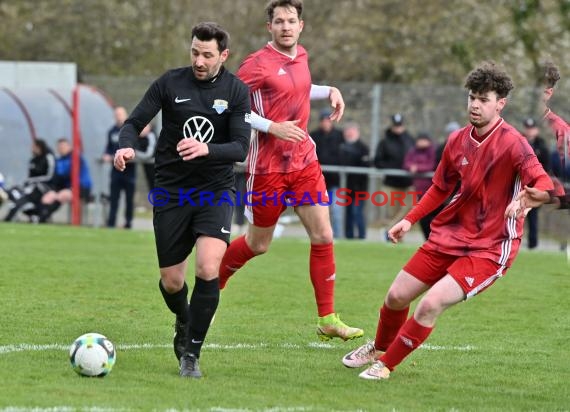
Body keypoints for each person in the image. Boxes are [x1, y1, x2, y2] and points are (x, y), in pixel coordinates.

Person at [342, 61, 553, 380]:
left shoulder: (514, 143)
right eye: (472, 97)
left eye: (484, 99)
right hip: (448, 237)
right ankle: (380, 348)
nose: (476, 105)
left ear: (501, 104)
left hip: (489, 248)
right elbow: (440, 187)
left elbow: (545, 184)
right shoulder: (457, 140)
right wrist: (409, 220)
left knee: (430, 304)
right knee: (396, 296)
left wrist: (528, 197)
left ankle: (386, 365)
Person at [218, 0, 363, 342]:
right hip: (267, 169)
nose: (286, 26)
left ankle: (327, 318)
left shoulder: (302, 56)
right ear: (269, 27)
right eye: (279, 21)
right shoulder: (256, 64)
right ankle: (211, 284)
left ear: (301, 25)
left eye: (291, 20)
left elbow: (297, 88)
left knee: (324, 235)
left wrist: (330, 91)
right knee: (258, 244)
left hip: (304, 163)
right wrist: (271, 127)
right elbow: (227, 107)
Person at [113, 22, 251, 378]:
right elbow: (134, 121)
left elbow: (239, 147)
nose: (199, 61)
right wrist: (125, 144)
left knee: (208, 268)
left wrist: (207, 149)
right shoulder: (169, 82)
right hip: (172, 191)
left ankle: (191, 353)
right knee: (173, 282)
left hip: (215, 191)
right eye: (195, 52)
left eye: (207, 54)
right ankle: (184, 320)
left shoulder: (236, 91)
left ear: (223, 55)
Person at [374, 113, 415, 235]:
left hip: (408, 183)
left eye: (400, 125)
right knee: (392, 213)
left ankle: (388, 232)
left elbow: (416, 155)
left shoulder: (410, 140)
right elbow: (377, 161)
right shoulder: (384, 142)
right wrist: (393, 169)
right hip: (391, 183)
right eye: (396, 126)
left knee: (410, 210)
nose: (398, 128)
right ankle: (394, 237)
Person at [38, 138, 92, 223]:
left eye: (63, 147)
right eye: (59, 147)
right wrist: (53, 191)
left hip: (82, 188)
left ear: (69, 146)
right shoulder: (59, 160)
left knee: (61, 196)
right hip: (66, 187)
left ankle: (77, 223)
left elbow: (68, 174)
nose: (61, 149)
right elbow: (57, 178)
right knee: (48, 197)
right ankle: (41, 218)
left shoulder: (76, 157)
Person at [3, 139, 55, 222]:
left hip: (43, 188)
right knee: (13, 192)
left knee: (23, 198)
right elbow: (29, 177)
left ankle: (13, 215)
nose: (32, 149)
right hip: (30, 186)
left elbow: (50, 176)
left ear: (39, 147)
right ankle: (26, 213)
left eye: (33, 146)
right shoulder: (32, 160)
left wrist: (32, 181)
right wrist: (28, 182)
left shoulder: (48, 157)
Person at [311, 108, 344, 238]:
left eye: (328, 120)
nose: (326, 123)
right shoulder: (314, 135)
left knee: (336, 212)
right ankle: (319, 236)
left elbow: (341, 156)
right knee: (318, 213)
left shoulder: (339, 136)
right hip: (318, 181)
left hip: (334, 181)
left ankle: (338, 237)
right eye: (323, 120)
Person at [103, 106, 136, 229]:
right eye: (116, 114)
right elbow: (108, 148)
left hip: (130, 171)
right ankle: (111, 223)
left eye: (120, 114)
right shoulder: (111, 131)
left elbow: (134, 148)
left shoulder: (131, 130)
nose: (118, 117)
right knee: (114, 198)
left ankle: (128, 223)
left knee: (129, 199)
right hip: (116, 171)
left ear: (125, 115)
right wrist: (107, 155)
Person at [521, 117, 550, 249]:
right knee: (517, 214)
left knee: (532, 216)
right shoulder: (519, 143)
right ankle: (514, 240)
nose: (530, 131)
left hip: (535, 186)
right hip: (520, 185)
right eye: (528, 128)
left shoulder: (542, 146)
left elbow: (547, 169)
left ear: (536, 130)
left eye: (532, 129)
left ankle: (533, 243)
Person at [402, 132, 437, 240]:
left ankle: (435, 238)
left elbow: (432, 165)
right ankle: (428, 239)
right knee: (422, 217)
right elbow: (406, 163)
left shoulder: (433, 151)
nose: (421, 143)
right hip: (418, 189)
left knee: (434, 216)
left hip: (432, 189)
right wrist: (411, 167)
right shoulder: (413, 151)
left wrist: (417, 168)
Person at [339, 122, 370, 239]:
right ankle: (349, 236)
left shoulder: (363, 148)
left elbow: (365, 166)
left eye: (352, 130)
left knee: (357, 212)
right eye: (348, 130)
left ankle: (361, 236)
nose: (350, 133)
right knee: (348, 214)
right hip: (345, 188)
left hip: (359, 187)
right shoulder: (341, 146)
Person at [136, 123, 157, 192]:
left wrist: (135, 153)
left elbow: (148, 154)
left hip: (155, 168)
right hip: (148, 168)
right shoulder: (140, 138)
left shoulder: (151, 136)